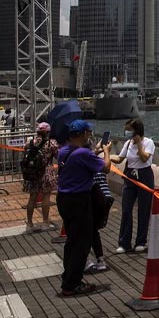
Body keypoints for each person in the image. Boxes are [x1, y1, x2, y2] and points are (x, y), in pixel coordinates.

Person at [56, 120, 111, 296]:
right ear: (83, 134)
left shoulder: (64, 151)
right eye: (89, 132)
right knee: (82, 243)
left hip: (64, 199)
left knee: (72, 240)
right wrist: (106, 152)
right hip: (79, 200)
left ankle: (68, 277)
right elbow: (106, 168)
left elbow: (80, 159)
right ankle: (72, 284)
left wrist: (94, 152)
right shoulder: (83, 153)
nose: (90, 135)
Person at [111, 118, 155, 254]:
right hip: (130, 176)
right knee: (126, 209)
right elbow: (120, 158)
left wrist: (139, 144)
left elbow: (144, 158)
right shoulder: (128, 143)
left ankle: (141, 242)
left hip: (144, 176)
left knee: (143, 210)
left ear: (136, 130)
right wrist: (106, 155)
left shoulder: (149, 142)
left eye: (129, 130)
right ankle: (124, 242)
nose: (127, 132)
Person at [22, 122, 58, 232]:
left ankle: (29, 224)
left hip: (32, 172)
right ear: (48, 132)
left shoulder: (30, 142)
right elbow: (58, 155)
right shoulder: (51, 143)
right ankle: (45, 223)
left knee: (32, 197)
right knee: (46, 197)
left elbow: (25, 153)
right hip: (46, 171)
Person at [85, 154, 115, 274]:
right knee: (93, 231)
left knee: (86, 231)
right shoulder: (96, 161)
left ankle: (85, 260)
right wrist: (106, 152)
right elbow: (106, 168)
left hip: (94, 199)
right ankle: (100, 260)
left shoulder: (83, 160)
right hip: (105, 198)